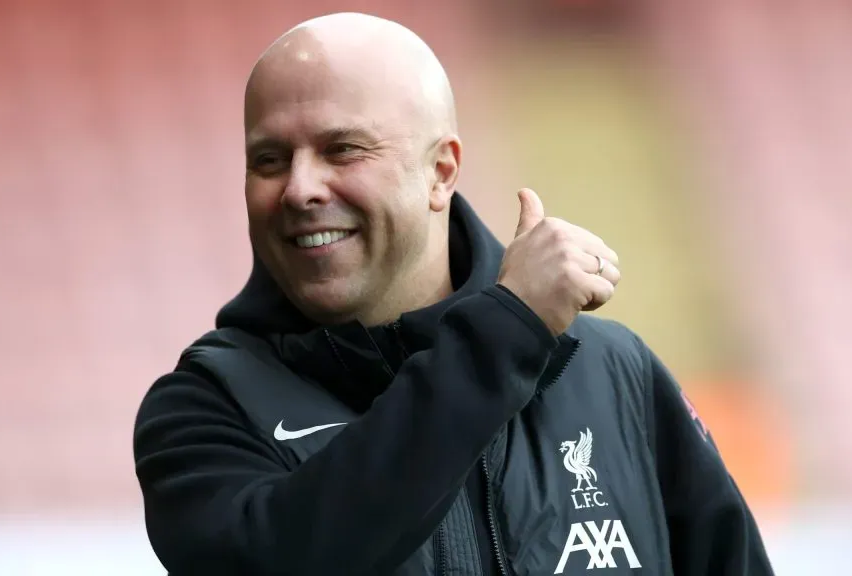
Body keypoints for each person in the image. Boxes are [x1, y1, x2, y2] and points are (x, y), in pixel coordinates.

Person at [133, 12, 775, 576]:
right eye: (269, 160)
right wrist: (506, 334)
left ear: (440, 172)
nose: (299, 188)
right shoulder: (203, 408)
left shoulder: (615, 375)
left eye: (342, 149)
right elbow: (283, 561)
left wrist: (510, 336)